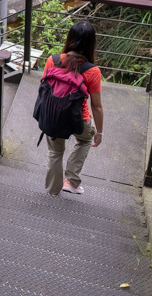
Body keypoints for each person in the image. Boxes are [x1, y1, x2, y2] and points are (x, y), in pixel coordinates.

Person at [42, 21, 103, 196]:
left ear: (70, 38)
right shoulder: (92, 71)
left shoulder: (53, 60)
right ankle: (71, 181)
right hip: (78, 118)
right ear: (91, 43)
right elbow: (96, 106)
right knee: (85, 140)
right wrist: (99, 132)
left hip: (53, 116)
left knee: (55, 152)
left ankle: (53, 191)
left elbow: (45, 89)